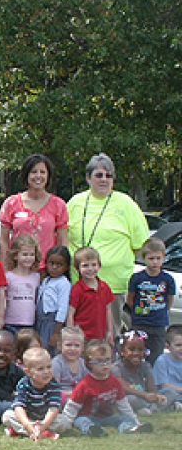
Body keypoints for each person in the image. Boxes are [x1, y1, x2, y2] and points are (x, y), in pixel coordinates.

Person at [67, 153, 149, 333]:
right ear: (88, 178)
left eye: (109, 175)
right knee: (76, 338)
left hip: (113, 287)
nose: (104, 179)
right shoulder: (75, 203)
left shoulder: (126, 204)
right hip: (78, 285)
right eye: (99, 175)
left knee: (108, 338)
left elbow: (142, 246)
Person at [61, 339, 151, 436]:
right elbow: (72, 406)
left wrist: (135, 421)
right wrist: (66, 424)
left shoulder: (114, 382)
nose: (105, 364)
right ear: (89, 363)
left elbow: (124, 405)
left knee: (126, 418)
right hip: (88, 417)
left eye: (107, 360)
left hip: (107, 417)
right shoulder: (84, 384)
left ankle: (130, 428)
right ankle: (93, 431)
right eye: (99, 361)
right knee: (81, 421)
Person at [0, 154, 68, 269]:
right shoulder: (11, 203)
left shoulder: (58, 205)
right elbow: (3, 240)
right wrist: (5, 270)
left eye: (42, 172)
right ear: (26, 175)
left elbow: (62, 242)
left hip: (47, 272)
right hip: (18, 270)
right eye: (34, 172)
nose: (38, 176)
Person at [127, 238, 176, 365]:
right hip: (139, 322)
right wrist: (139, 312)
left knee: (155, 357)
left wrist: (159, 310)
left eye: (158, 258)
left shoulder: (168, 279)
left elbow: (169, 301)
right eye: (151, 258)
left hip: (158, 324)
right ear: (144, 258)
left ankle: (152, 382)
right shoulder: (137, 278)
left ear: (163, 257)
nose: (155, 262)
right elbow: (130, 299)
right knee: (136, 353)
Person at [2, 348, 67, 439]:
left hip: (47, 419)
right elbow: (18, 406)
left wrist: (44, 424)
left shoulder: (53, 384)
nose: (46, 372)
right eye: (40, 369)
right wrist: (27, 424)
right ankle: (43, 433)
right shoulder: (23, 384)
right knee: (7, 416)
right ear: (28, 372)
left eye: (49, 367)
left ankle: (22, 431)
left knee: (64, 421)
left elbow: (54, 408)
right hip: (28, 418)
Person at [112, 330, 170, 414]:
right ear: (122, 351)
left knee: (169, 392)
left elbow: (151, 389)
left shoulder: (145, 366)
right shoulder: (116, 368)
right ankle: (151, 407)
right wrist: (145, 395)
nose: (136, 353)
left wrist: (155, 396)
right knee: (130, 399)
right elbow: (124, 389)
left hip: (144, 397)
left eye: (140, 350)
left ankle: (150, 407)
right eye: (131, 349)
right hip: (130, 397)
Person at [67, 246, 115, 345]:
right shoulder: (77, 289)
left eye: (94, 265)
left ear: (99, 265)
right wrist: (71, 335)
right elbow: (71, 313)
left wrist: (110, 331)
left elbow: (108, 310)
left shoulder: (104, 287)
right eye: (85, 265)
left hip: (100, 335)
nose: (90, 269)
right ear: (77, 268)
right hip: (82, 336)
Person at [3, 234, 41, 333]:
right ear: (15, 255)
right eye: (25, 254)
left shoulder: (36, 277)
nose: (28, 258)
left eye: (31, 254)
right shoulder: (8, 277)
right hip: (10, 323)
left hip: (30, 324)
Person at [39, 245, 72, 352]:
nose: (54, 267)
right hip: (40, 321)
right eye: (51, 263)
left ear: (66, 267)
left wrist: (56, 332)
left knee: (48, 350)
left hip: (52, 322)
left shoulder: (63, 283)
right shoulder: (46, 280)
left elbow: (63, 308)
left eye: (59, 265)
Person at [51, 326, 88, 404]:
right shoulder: (56, 363)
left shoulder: (83, 364)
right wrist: (72, 394)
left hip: (79, 396)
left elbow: (87, 384)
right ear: (60, 346)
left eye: (77, 345)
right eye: (68, 345)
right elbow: (54, 389)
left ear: (82, 348)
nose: (73, 349)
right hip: (62, 396)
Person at [152, 325, 182, 407]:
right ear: (167, 346)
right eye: (178, 345)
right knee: (169, 393)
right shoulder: (162, 361)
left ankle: (176, 405)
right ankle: (173, 404)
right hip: (166, 393)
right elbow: (164, 385)